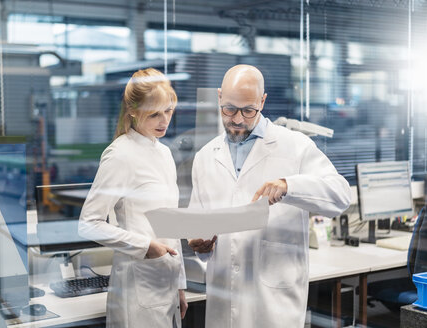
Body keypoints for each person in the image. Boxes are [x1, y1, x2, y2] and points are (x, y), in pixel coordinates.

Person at [188, 64, 351, 327]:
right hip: (223, 304)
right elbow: (199, 224)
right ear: (219, 97)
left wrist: (289, 186)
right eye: (229, 108)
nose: (238, 119)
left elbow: (340, 195)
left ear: (262, 102)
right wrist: (199, 244)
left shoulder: (294, 146)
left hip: (275, 307)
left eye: (249, 110)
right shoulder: (205, 157)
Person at [78, 68, 187, 328]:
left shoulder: (164, 153)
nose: (164, 121)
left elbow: (171, 224)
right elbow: (89, 223)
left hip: (166, 284)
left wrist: (180, 285)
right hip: (137, 287)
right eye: (154, 114)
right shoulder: (120, 155)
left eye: (169, 110)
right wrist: (146, 246)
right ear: (133, 111)